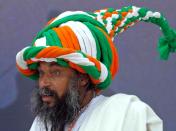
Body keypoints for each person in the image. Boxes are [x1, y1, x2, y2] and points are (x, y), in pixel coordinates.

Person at [16, 5, 176, 131]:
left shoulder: (125, 112)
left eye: (55, 72)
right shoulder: (44, 123)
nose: (43, 83)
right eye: (41, 73)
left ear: (83, 78)